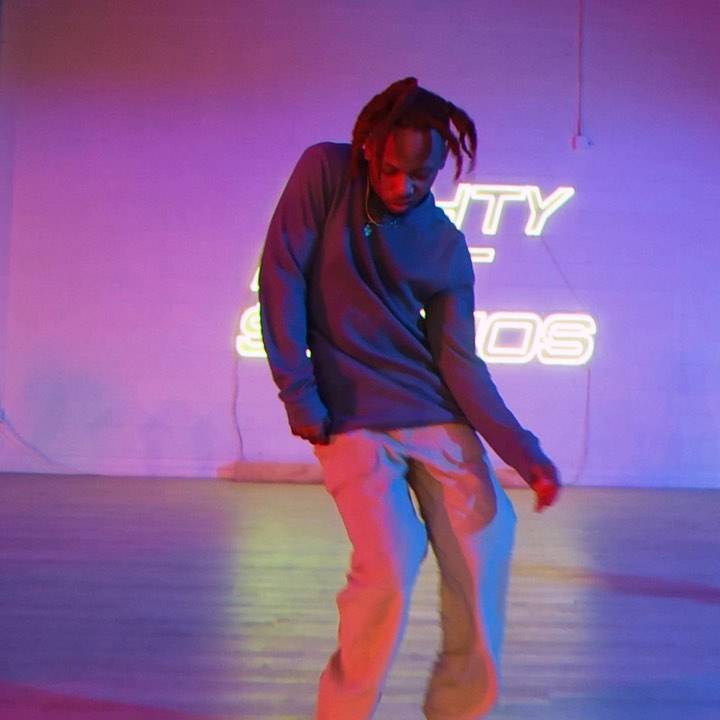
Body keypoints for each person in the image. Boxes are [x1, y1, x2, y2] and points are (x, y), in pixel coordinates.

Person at [258, 77, 560, 720]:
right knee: (390, 563)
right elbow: (282, 274)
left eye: (421, 176)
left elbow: (460, 363)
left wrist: (523, 451)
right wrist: (298, 394)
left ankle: (457, 709)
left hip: (433, 413)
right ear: (369, 148)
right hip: (350, 418)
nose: (402, 187)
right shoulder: (326, 172)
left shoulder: (444, 244)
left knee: (487, 541)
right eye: (391, 170)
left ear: (441, 168)